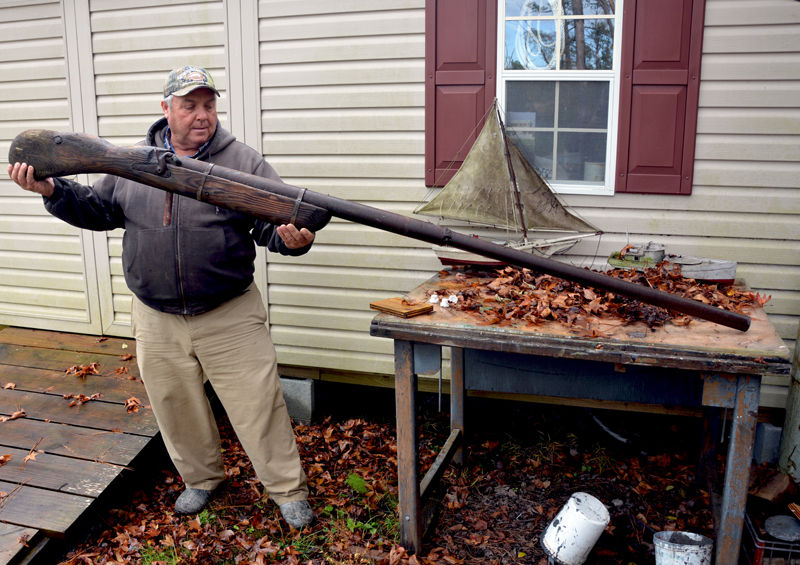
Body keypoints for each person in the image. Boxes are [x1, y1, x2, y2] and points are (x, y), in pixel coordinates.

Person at [7, 65, 316, 528]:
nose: (202, 115)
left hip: (228, 312)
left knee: (259, 406)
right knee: (175, 406)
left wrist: (292, 238)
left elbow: (270, 223)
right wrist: (52, 190)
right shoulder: (131, 161)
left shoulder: (242, 163)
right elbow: (98, 209)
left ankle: (286, 489)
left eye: (208, 105)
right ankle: (202, 478)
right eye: (189, 105)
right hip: (155, 315)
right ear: (166, 109)